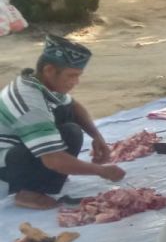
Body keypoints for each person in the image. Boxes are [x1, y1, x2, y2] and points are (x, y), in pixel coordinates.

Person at [0, 36, 125, 209]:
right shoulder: (29, 102)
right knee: (65, 138)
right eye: (72, 76)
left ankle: (50, 179)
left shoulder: (40, 83)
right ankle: (27, 192)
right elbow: (53, 159)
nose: (76, 82)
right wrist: (101, 171)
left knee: (71, 129)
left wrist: (96, 136)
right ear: (49, 70)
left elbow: (73, 106)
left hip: (21, 146)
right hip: (7, 163)